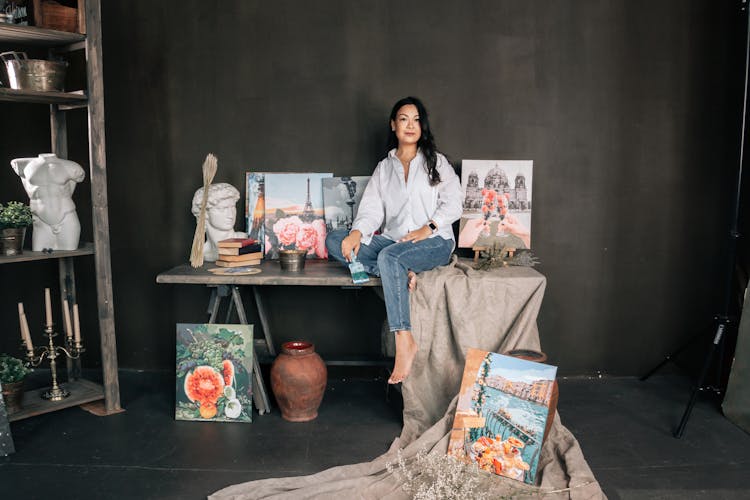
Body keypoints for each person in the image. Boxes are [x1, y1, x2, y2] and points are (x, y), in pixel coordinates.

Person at [326, 97, 463, 384]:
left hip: (434, 241)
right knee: (335, 241)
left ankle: (404, 338)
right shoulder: (384, 168)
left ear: (422, 126)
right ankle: (400, 270)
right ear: (394, 124)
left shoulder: (437, 163)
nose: (410, 125)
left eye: (415, 119)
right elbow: (372, 210)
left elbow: (455, 204)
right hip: (393, 241)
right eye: (403, 119)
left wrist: (430, 227)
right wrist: (356, 233)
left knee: (390, 257)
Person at [11, 153, 85, 251]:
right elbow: (14, 163)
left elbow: (72, 188)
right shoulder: (25, 166)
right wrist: (41, 160)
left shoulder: (71, 167)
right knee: (39, 253)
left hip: (66, 218)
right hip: (41, 222)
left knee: (69, 251)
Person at [191, 183, 247, 262]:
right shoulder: (200, 251)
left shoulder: (245, 240)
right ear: (205, 213)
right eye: (222, 209)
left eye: (233, 207)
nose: (230, 215)